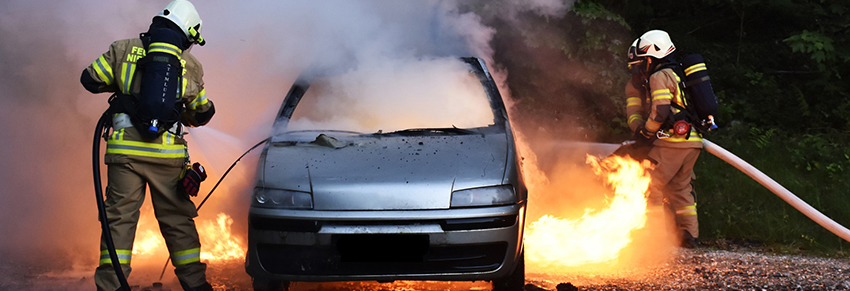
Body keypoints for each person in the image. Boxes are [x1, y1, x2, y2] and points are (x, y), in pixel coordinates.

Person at [80, 1, 215, 290]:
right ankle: (196, 284)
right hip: (167, 157)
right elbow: (200, 113)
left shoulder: (122, 48)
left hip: (124, 154)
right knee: (178, 222)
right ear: (186, 33)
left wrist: (125, 88)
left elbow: (90, 79)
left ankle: (111, 285)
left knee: (119, 219)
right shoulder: (190, 65)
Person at [625, 30, 703, 248]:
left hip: (672, 141)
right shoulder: (677, 74)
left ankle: (655, 238)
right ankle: (690, 236)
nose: (638, 68)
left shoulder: (659, 76)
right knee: (681, 188)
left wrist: (646, 132)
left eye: (641, 62)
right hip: (692, 142)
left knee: (650, 184)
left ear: (651, 57)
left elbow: (660, 111)